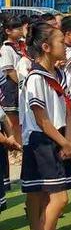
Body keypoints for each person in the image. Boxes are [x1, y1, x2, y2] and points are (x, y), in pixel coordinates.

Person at [20, 22, 71, 230]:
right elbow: (41, 118)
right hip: (43, 142)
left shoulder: (57, 75)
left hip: (58, 141)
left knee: (56, 202)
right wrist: (63, 141)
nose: (65, 46)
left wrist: (68, 138)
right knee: (58, 199)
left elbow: (66, 110)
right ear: (45, 47)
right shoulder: (35, 78)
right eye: (61, 42)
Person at [0, 16, 24, 149]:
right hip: (11, 87)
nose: (20, 31)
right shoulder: (6, 49)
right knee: (13, 121)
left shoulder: (19, 47)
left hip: (18, 87)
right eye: (17, 29)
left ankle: (18, 146)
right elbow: (9, 70)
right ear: (8, 31)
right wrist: (21, 83)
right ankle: (15, 147)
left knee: (18, 121)